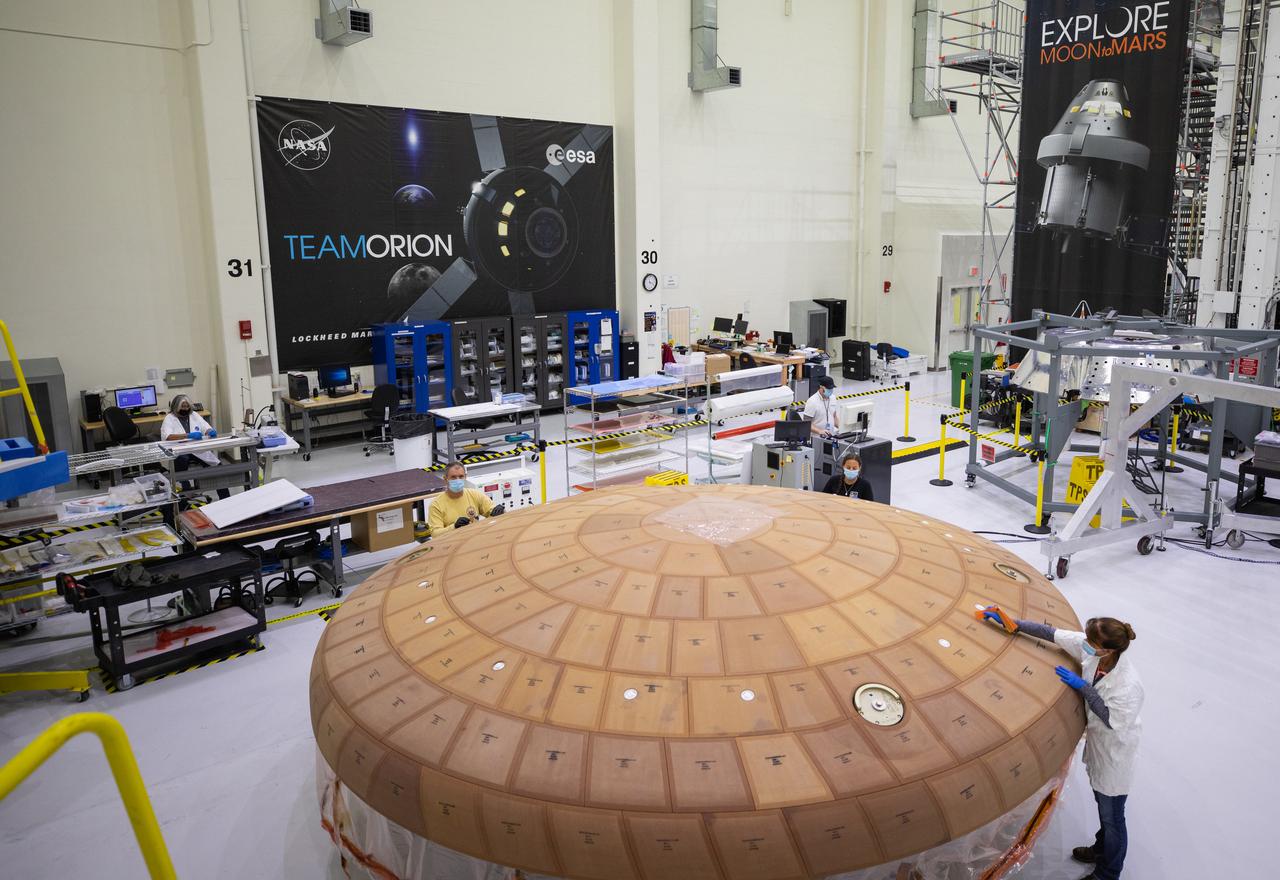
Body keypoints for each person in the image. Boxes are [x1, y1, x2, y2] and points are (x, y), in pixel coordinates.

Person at [977, 606, 1143, 880]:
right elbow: (1051, 634)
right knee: (1106, 812)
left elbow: (1110, 717)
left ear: (1108, 650)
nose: (1085, 645)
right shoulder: (1094, 654)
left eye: (1092, 643)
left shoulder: (1127, 685)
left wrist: (1083, 687)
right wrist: (1011, 623)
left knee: (1113, 818)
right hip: (1100, 752)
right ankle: (1101, 850)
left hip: (1115, 756)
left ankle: (1108, 873)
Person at [160, 394, 229, 499]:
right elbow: (167, 436)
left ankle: (225, 498)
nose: (186, 409)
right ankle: (185, 493)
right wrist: (187, 435)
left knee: (217, 468)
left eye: (187, 406)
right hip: (180, 450)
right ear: (176, 407)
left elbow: (205, 427)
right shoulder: (169, 418)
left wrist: (209, 431)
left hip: (197, 449)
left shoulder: (194, 415)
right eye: (183, 407)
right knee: (181, 465)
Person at [427, 462, 504, 534]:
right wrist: (454, 527)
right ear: (445, 479)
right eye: (453, 477)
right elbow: (435, 534)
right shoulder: (436, 505)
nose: (458, 480)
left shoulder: (474, 494)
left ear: (465, 477)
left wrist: (499, 511)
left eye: (461, 476)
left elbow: (491, 510)